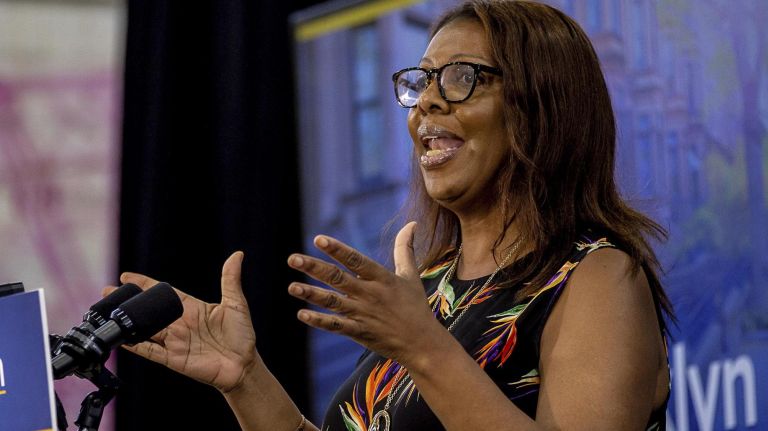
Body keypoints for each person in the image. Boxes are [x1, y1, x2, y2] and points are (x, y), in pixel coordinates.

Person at [110, 1, 673, 429]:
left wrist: (423, 347)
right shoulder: (428, 289)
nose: (428, 101)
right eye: (422, 79)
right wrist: (245, 377)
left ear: (544, 106)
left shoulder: (596, 277)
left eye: (461, 78)